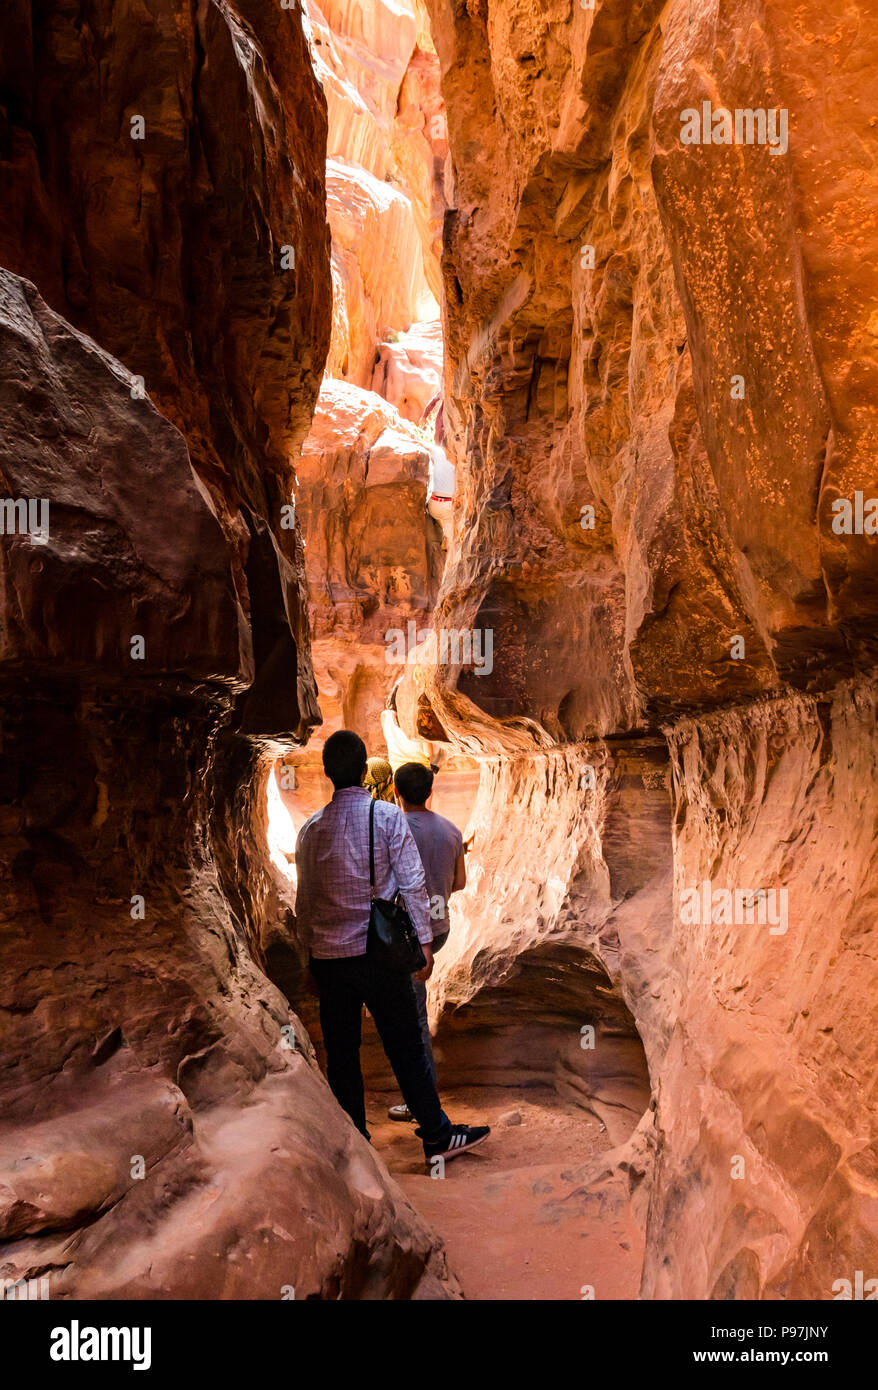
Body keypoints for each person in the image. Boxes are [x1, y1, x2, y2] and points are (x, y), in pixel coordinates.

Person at [295, 730, 489, 1165]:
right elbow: (413, 883)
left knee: (341, 1053)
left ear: (327, 773)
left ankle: (355, 1142)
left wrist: (306, 959)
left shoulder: (311, 829)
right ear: (364, 772)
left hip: (330, 959)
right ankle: (437, 1136)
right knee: (405, 1047)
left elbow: (304, 903)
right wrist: (423, 943)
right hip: (378, 956)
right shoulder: (384, 816)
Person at [387, 761, 466, 1122]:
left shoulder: (393, 828)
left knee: (413, 1017)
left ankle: (422, 1101)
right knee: (411, 1009)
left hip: (405, 936)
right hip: (439, 930)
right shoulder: (451, 830)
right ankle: (421, 1095)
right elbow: (459, 883)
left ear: (396, 791)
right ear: (430, 792)